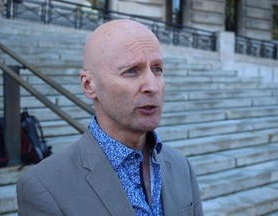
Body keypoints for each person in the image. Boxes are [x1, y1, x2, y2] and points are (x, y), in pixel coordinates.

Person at [16, 19, 203, 216]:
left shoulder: (182, 167)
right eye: (131, 70)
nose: (152, 86)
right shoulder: (44, 186)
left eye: (157, 69)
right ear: (89, 85)